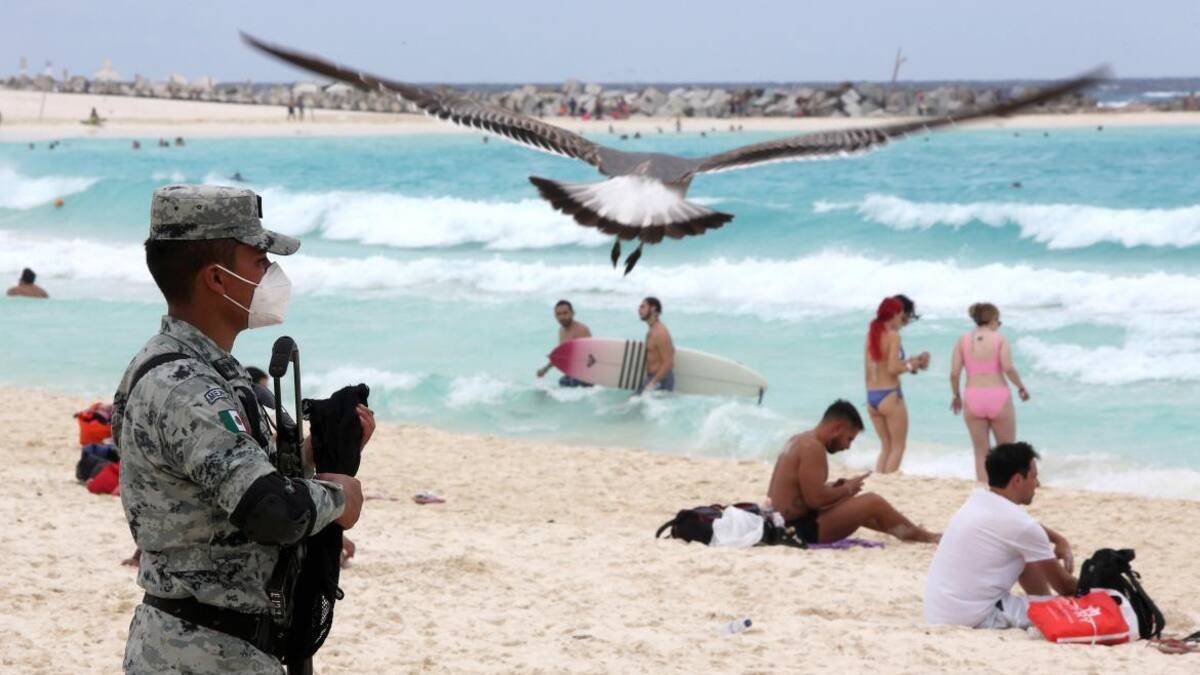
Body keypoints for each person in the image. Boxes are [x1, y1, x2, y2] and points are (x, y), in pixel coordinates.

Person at [113, 184, 373, 673]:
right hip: (204, 651)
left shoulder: (199, 369)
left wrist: (312, 456)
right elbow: (269, 511)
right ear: (217, 278)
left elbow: (216, 487)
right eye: (259, 261)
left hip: (221, 643)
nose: (272, 274)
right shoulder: (184, 385)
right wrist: (340, 497)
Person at [924, 442, 1076, 629]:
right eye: (1034, 477)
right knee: (1061, 609)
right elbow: (1066, 587)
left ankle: (1044, 601)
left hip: (939, 610)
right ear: (1018, 480)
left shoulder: (978, 498)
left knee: (1025, 552)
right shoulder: (1021, 526)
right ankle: (1045, 603)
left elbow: (1024, 526)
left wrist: (1059, 539)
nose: (1037, 484)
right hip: (972, 616)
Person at [766, 399, 940, 545]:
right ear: (837, 428)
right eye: (849, 438)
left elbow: (801, 492)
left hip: (781, 521)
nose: (848, 446)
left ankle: (906, 531)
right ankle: (922, 536)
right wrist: (848, 489)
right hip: (795, 529)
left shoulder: (800, 440)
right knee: (873, 502)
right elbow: (815, 500)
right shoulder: (813, 448)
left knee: (854, 503)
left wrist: (836, 488)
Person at [950, 303, 1031, 483]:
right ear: (993, 319)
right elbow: (1008, 367)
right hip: (998, 396)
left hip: (973, 397)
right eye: (998, 321)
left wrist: (956, 396)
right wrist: (1021, 387)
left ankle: (984, 491)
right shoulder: (999, 339)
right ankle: (1005, 491)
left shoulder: (962, 341)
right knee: (1007, 451)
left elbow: (954, 373)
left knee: (981, 452)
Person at [864, 297, 925, 473]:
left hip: (871, 397)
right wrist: (911, 365)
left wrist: (908, 363)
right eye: (900, 314)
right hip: (889, 396)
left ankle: (880, 484)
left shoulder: (871, 336)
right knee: (898, 447)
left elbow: (875, 368)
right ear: (895, 314)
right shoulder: (893, 336)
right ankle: (887, 483)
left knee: (886, 447)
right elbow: (892, 368)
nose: (902, 318)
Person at [536, 300, 593, 386]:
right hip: (571, 375)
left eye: (565, 313)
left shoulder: (581, 330)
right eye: (558, 314)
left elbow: (591, 357)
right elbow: (562, 354)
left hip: (584, 377)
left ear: (573, 313)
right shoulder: (561, 331)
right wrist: (545, 369)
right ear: (555, 316)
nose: (562, 317)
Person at [637, 296, 674, 394]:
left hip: (661, 381)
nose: (639, 310)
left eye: (643, 307)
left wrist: (652, 383)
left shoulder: (660, 332)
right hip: (653, 379)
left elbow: (668, 363)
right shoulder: (652, 330)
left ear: (653, 309)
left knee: (630, 406)